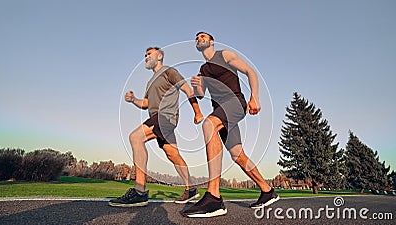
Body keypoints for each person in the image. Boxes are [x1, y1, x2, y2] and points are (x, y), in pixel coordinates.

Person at [182, 32, 279, 217]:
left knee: (209, 125)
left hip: (234, 102)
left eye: (203, 36)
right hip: (221, 110)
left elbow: (250, 71)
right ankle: (267, 191)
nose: (199, 38)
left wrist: (255, 98)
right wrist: (196, 85)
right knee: (237, 155)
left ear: (211, 41)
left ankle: (214, 197)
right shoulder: (202, 69)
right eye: (197, 37)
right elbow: (201, 95)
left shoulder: (224, 55)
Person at [109, 47, 204, 207]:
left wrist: (197, 112)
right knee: (172, 154)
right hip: (156, 118)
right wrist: (134, 99)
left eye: (149, 54)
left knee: (135, 137)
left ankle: (140, 191)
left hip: (165, 117)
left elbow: (188, 90)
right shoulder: (150, 81)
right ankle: (191, 189)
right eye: (145, 55)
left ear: (159, 56)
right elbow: (145, 104)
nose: (146, 57)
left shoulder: (169, 72)